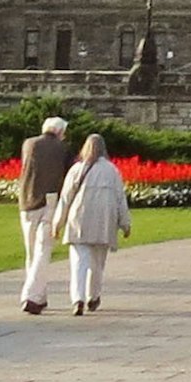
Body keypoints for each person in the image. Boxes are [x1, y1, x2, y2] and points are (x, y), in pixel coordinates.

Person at [46, 133, 132, 313]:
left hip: (80, 220)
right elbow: (120, 198)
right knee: (97, 264)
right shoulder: (112, 170)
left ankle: (78, 298)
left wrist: (57, 223)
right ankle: (93, 296)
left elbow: (65, 198)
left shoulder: (77, 169)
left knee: (79, 262)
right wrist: (125, 223)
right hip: (103, 222)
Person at [14, 115, 75, 317]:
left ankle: (39, 296)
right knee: (43, 250)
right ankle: (31, 295)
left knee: (31, 251)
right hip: (50, 201)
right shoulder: (62, 148)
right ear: (60, 132)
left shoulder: (29, 144)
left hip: (27, 200)